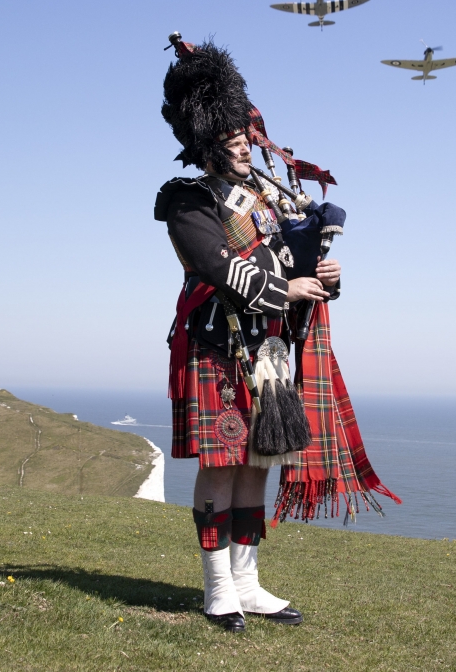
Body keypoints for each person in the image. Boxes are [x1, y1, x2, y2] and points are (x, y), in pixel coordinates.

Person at [155, 35, 397, 633]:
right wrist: (286, 289)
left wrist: (323, 277)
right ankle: (217, 591)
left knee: (257, 463)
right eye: (232, 142)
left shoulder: (265, 201)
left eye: (245, 138)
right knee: (220, 462)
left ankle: (248, 583)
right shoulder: (185, 201)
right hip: (215, 347)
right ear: (206, 144)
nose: (245, 148)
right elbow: (220, 268)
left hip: (268, 350)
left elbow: (293, 263)